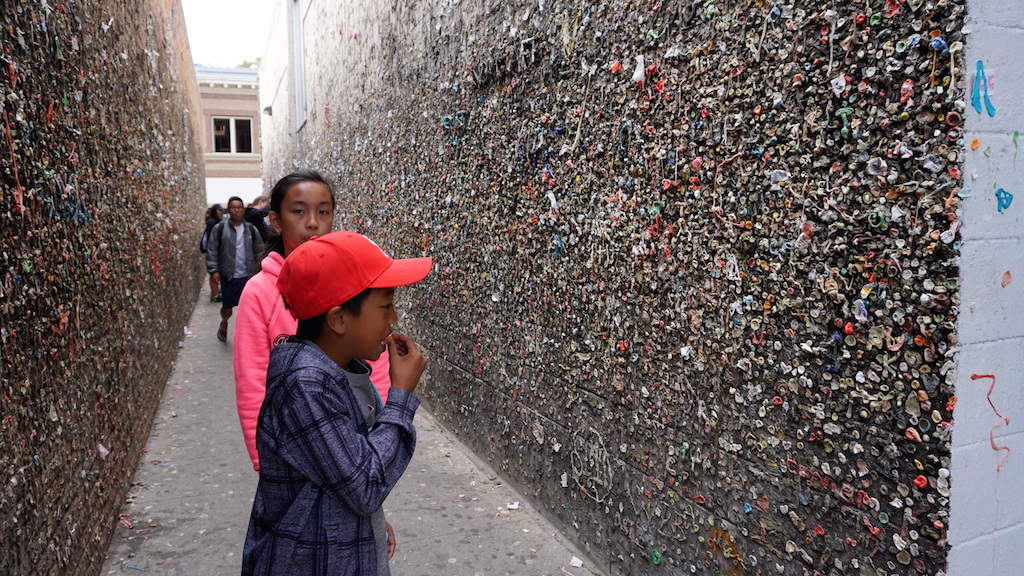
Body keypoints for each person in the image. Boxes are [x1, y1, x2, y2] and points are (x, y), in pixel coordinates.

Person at [241, 231, 432, 576]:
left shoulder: (343, 371)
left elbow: (344, 470)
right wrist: (401, 397)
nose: (393, 319)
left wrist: (369, 525)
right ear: (339, 319)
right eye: (386, 306)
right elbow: (365, 486)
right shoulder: (305, 385)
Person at [233, 170, 393, 475]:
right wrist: (264, 462)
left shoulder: (350, 280)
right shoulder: (260, 291)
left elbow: (376, 365)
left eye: (323, 211)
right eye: (298, 211)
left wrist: (380, 430)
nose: (312, 222)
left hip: (354, 441)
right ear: (276, 221)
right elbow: (252, 381)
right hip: (292, 453)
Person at [205, 196, 263, 341]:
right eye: (233, 207)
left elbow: (259, 250)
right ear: (228, 210)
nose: (236, 210)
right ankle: (224, 322)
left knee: (250, 308)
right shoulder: (220, 229)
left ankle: (247, 334)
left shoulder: (251, 229)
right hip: (229, 275)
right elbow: (212, 250)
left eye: (239, 207)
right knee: (227, 307)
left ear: (243, 210)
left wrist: (261, 271)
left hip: (248, 276)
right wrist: (213, 270)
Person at [203, 203, 225, 302]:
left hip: (214, 251)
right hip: (213, 251)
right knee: (214, 273)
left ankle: (215, 293)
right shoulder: (213, 223)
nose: (222, 213)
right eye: (220, 211)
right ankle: (215, 295)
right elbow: (213, 240)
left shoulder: (214, 221)